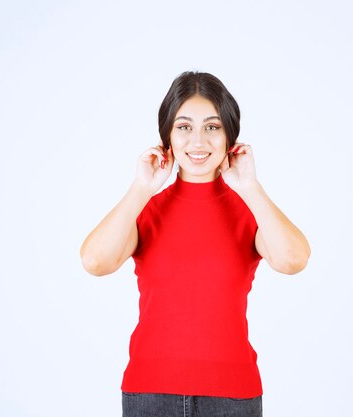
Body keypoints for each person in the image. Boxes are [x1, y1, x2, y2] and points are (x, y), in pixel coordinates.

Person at [79, 71, 311, 417]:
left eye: (213, 127)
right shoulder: (145, 210)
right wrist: (142, 188)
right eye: (184, 127)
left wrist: (250, 186)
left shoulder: (250, 211)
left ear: (230, 135)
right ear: (167, 137)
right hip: (150, 396)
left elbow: (293, 260)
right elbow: (95, 262)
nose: (199, 141)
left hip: (233, 397)